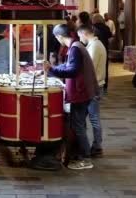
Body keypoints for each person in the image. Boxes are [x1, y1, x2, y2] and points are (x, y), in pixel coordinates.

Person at [43, 24, 97, 170]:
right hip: (83, 92)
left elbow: (72, 70)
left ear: (60, 36)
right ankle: (80, 154)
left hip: (81, 93)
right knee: (79, 125)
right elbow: (68, 65)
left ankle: (86, 158)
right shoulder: (76, 46)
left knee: (78, 126)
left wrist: (53, 70)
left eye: (56, 38)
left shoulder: (75, 48)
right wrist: (53, 69)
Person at [77, 25, 106, 157]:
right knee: (88, 117)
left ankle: (97, 146)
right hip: (95, 85)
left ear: (84, 33)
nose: (79, 38)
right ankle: (87, 145)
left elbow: (90, 67)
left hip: (94, 86)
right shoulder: (96, 44)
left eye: (79, 36)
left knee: (93, 118)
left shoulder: (94, 46)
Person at [92, 14, 112, 92]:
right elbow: (110, 35)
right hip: (105, 48)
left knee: (95, 66)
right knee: (105, 66)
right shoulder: (106, 27)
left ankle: (96, 84)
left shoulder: (93, 27)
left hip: (96, 47)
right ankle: (105, 85)